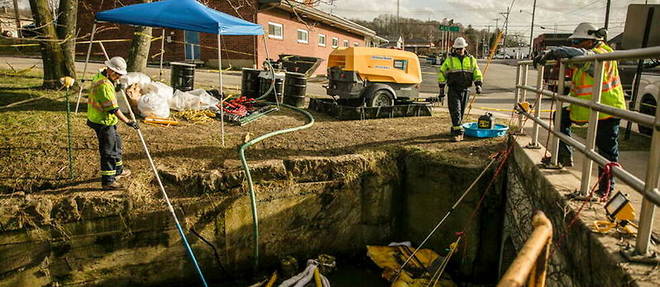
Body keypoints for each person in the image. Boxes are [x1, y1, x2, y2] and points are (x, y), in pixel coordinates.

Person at [534, 22, 626, 198]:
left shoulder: (602, 53)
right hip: (589, 107)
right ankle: (563, 156)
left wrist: (554, 52)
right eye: (573, 41)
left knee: (606, 152)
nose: (574, 44)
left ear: (591, 40)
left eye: (577, 41)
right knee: (560, 116)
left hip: (607, 109)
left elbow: (583, 56)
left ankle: (606, 189)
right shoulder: (586, 56)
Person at [86, 56, 139, 190]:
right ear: (110, 70)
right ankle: (108, 181)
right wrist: (128, 122)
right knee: (108, 150)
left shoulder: (103, 75)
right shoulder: (103, 86)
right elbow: (113, 109)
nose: (119, 77)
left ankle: (118, 171)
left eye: (121, 75)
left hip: (104, 119)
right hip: (102, 121)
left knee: (117, 143)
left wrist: (116, 86)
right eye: (118, 75)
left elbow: (110, 87)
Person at [437, 37, 483, 142]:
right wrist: (441, 89)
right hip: (453, 89)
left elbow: (477, 72)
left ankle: (455, 128)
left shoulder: (471, 60)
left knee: (461, 112)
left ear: (464, 48)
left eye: (460, 48)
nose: (459, 51)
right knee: (455, 111)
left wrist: (478, 84)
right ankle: (458, 134)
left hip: (466, 89)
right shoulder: (450, 60)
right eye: (457, 49)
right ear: (454, 49)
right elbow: (442, 73)